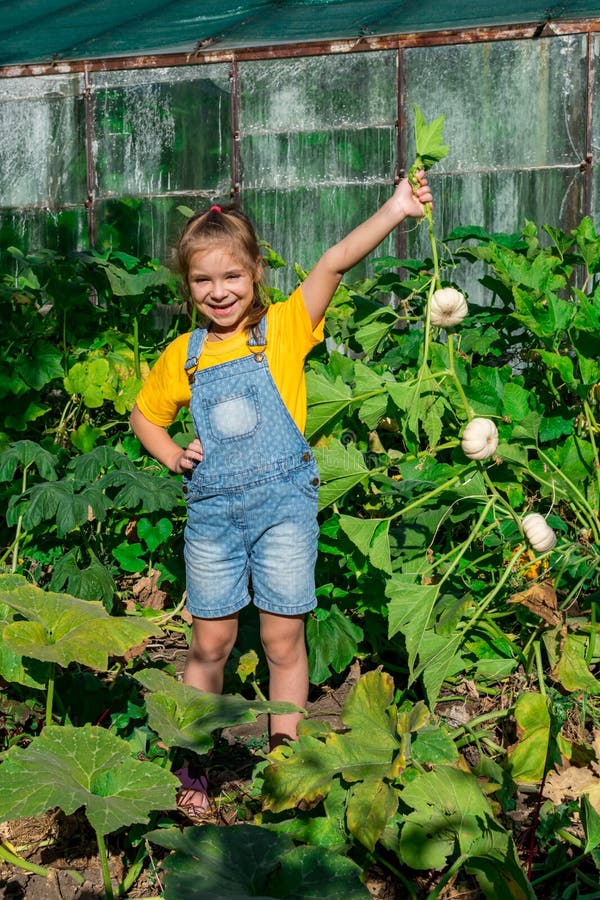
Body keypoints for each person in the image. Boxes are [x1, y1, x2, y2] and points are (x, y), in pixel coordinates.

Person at [130, 172, 433, 811]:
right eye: (202, 281)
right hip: (213, 516)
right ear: (187, 286)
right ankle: (192, 768)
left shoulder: (286, 329)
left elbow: (332, 262)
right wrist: (172, 453)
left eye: (231, 277)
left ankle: (284, 761)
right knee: (209, 642)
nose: (219, 293)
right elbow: (143, 416)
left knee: (282, 641)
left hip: (283, 512)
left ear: (256, 272)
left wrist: (397, 209)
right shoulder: (183, 356)